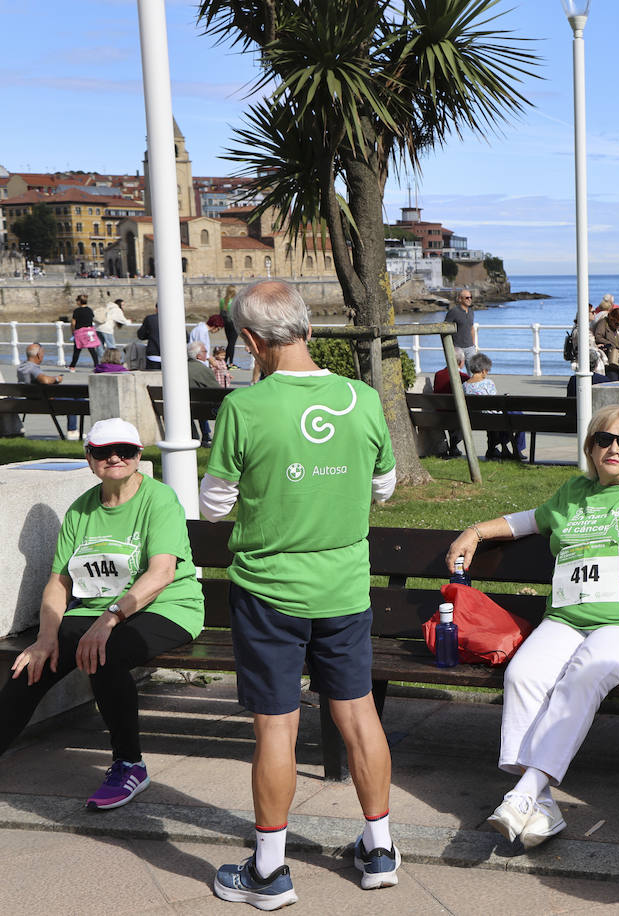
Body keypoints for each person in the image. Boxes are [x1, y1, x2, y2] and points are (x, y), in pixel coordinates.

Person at [199, 280, 399, 908]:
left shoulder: (245, 408)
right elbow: (385, 487)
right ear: (308, 330)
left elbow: (213, 505)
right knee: (358, 713)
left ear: (253, 342)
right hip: (344, 586)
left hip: (269, 592)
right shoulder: (362, 399)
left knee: (276, 727)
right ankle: (380, 849)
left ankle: (269, 871)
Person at [444, 405, 619, 851]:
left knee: (585, 674)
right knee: (523, 675)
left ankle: (523, 791)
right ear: (591, 448)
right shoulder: (574, 492)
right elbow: (527, 521)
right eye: (604, 440)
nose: (615, 448)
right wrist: (475, 531)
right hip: (567, 619)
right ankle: (543, 804)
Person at [1, 418, 203, 810]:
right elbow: (58, 583)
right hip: (97, 610)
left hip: (167, 608)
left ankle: (130, 764)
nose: (115, 458)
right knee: (31, 664)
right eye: (103, 451)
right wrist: (45, 639)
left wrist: (108, 619)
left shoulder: (159, 500)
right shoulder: (81, 510)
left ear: (138, 456)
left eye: (125, 451)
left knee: (105, 653)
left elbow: (161, 574)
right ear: (89, 457)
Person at [464, 352, 526, 461]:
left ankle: (498, 448)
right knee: (520, 417)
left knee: (508, 417)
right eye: (487, 371)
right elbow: (494, 403)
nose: (487, 373)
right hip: (492, 418)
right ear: (483, 370)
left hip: (474, 418)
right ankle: (517, 449)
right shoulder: (488, 383)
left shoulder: (464, 385)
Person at [17, 343, 79, 440]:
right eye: (42, 354)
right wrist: (57, 379)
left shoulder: (21, 367)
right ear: (38, 355)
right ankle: (72, 431)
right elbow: (45, 380)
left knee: (77, 399)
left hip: (30, 401)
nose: (43, 356)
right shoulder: (32, 368)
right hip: (44, 403)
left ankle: (73, 430)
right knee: (74, 402)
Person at [187, 342, 218, 447]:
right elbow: (217, 390)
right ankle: (206, 436)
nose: (207, 354)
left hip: (185, 408)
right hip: (202, 409)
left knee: (199, 403)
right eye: (205, 351)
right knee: (206, 404)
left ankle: (198, 436)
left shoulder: (180, 367)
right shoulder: (203, 370)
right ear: (198, 355)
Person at [445, 288, 479, 362]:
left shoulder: (471, 312)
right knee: (456, 372)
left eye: (471, 297)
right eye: (467, 298)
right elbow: (445, 329)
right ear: (460, 299)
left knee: (473, 371)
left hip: (470, 348)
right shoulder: (453, 311)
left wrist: (474, 345)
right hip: (457, 348)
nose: (469, 299)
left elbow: (471, 328)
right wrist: (451, 347)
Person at [593, 306, 619, 380]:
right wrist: (610, 344)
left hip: (618, 359)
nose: (618, 326)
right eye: (617, 324)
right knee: (612, 379)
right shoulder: (603, 323)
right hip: (608, 358)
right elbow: (598, 336)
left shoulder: (617, 328)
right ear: (612, 319)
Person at [69, 295, 100, 369]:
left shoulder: (77, 311)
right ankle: (96, 365)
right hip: (89, 332)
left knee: (77, 349)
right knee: (92, 350)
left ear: (79, 301)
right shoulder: (90, 310)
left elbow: (73, 322)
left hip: (80, 332)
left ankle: (72, 366)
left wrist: (73, 331)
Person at [219, 285, 240, 368]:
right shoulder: (236, 301)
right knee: (232, 343)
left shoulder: (222, 301)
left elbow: (221, 313)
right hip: (234, 324)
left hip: (226, 323)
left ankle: (225, 361)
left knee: (229, 343)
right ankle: (231, 362)